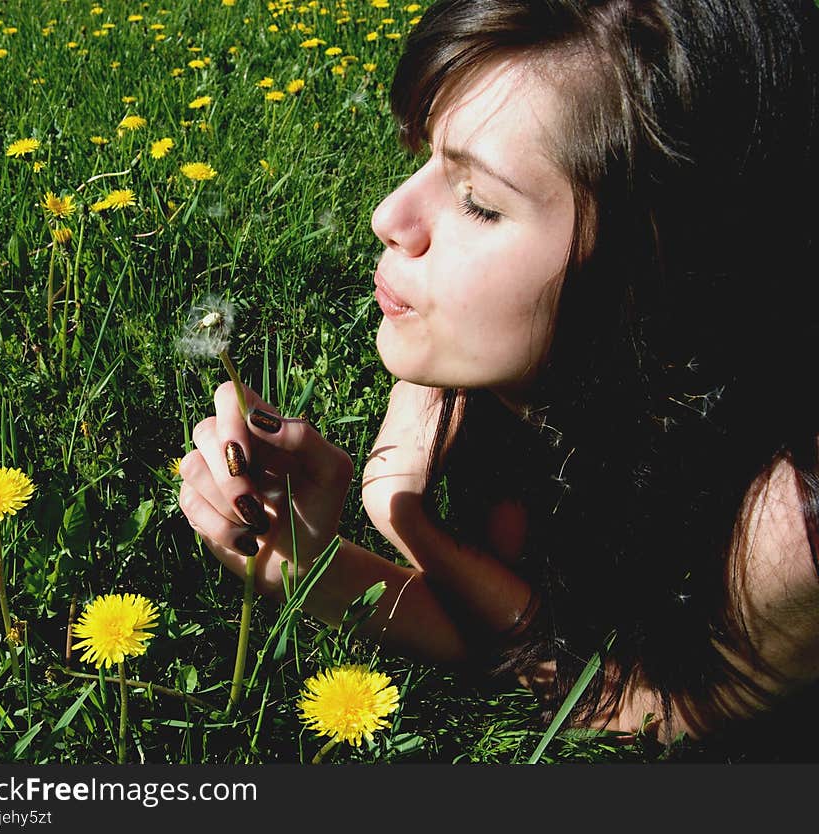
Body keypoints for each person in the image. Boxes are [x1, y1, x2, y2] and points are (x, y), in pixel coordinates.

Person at [179, 0, 819, 746]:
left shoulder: (791, 520)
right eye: (426, 159)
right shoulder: (517, 359)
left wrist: (402, 514)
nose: (389, 215)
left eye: (478, 203)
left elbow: (644, 711)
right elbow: (503, 636)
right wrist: (309, 565)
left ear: (657, 269)